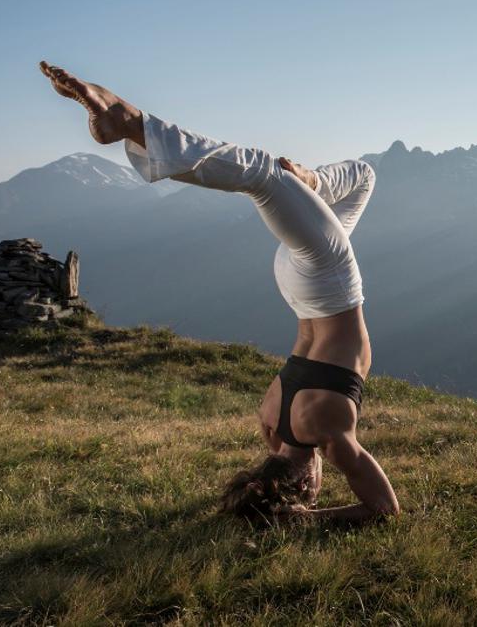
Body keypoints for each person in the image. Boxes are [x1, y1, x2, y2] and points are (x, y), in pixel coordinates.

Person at [39, 61, 399, 523]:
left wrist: (305, 518)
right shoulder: (272, 424)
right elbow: (372, 504)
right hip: (299, 286)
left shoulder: (328, 434)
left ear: (306, 485)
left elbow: (383, 510)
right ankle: (312, 184)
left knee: (265, 176)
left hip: (327, 284)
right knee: (363, 177)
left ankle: (128, 123)